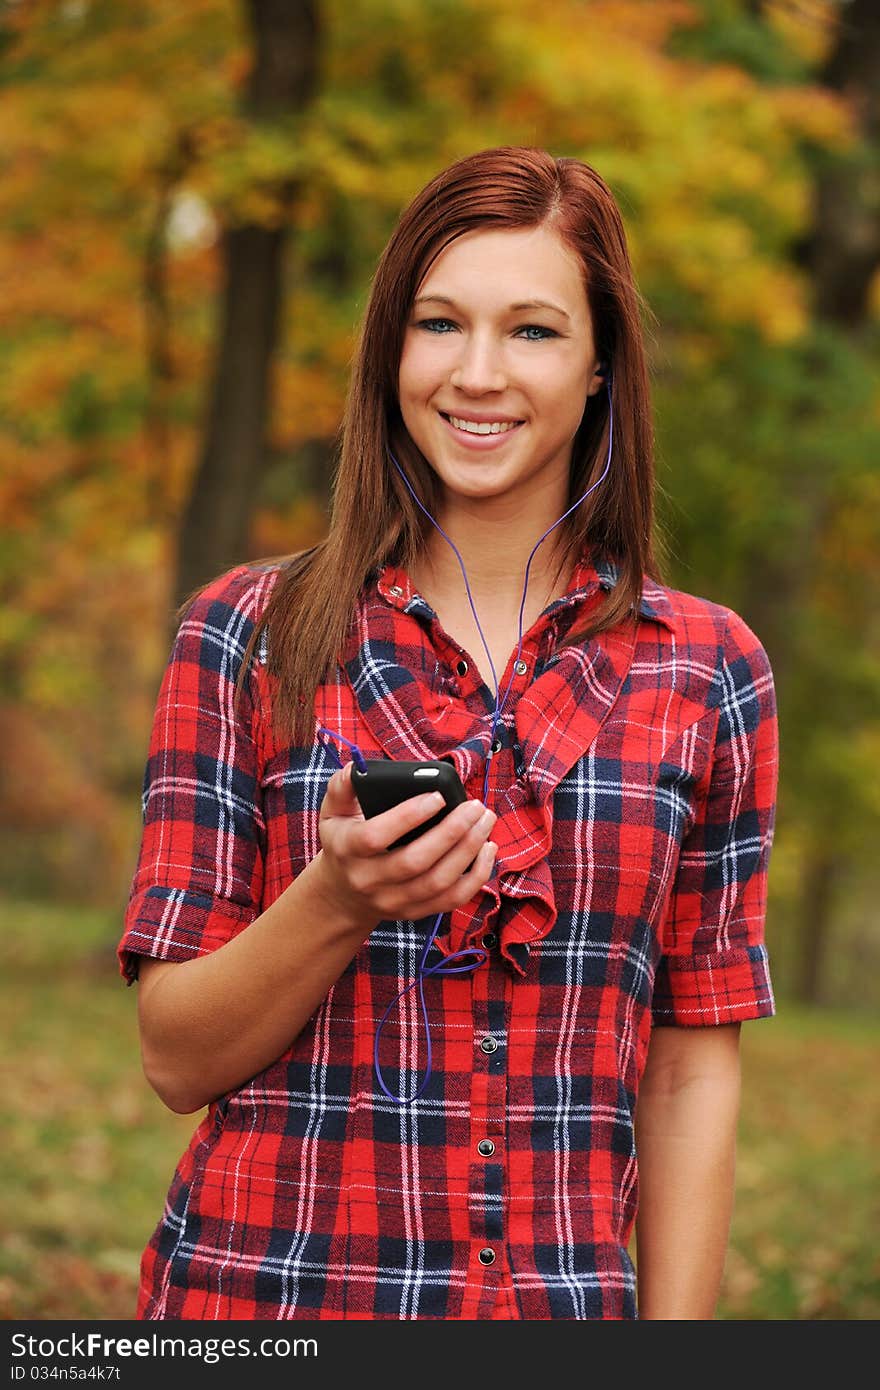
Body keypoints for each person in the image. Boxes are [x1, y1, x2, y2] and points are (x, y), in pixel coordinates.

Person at [117, 146, 778, 1321]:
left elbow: (686, 1069)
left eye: (531, 331)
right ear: (391, 353)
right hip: (266, 1304)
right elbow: (175, 1056)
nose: (477, 374)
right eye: (438, 324)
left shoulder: (708, 669)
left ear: (599, 366)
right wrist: (337, 899)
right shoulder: (244, 635)